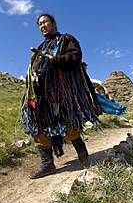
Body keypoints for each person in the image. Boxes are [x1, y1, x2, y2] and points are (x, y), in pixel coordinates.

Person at [21, 14, 101, 179]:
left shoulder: (67, 39)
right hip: (40, 95)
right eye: (40, 24)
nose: (43, 26)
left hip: (61, 93)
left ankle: (79, 146)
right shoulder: (40, 47)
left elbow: (76, 57)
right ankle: (47, 164)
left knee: (66, 123)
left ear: (54, 24)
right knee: (38, 125)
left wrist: (55, 60)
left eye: (45, 22)